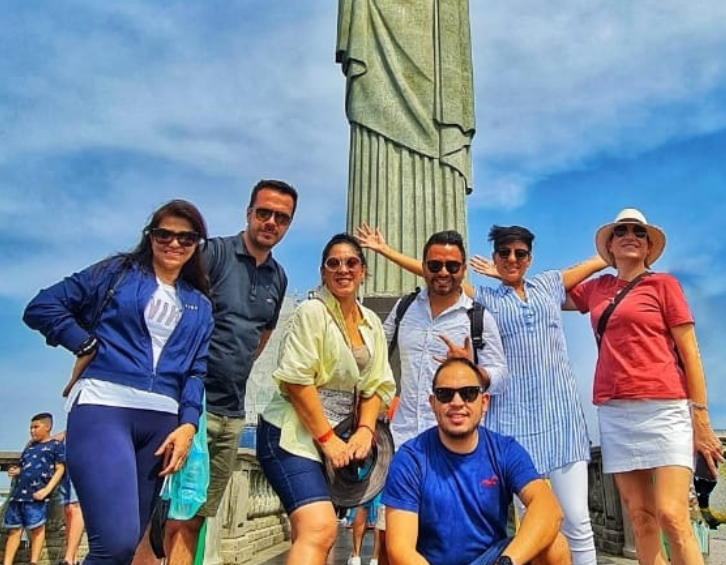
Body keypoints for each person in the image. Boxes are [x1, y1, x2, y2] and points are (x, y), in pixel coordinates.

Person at [151, 0, 648, 297]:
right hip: (377, 65)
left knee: (437, 165)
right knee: (374, 153)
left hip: (437, 75)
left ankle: (434, 284)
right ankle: (367, 285)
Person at [358, 224, 604, 565]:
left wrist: (620, 248)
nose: (443, 272)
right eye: (504, 253)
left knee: (568, 525)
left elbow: (498, 371)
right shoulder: (419, 308)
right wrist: (384, 251)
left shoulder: (498, 304)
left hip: (517, 428)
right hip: (415, 439)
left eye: (519, 253)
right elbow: (374, 354)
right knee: (391, 546)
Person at [23, 200, 214, 565]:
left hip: (162, 424)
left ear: (197, 244)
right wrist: (85, 343)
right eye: (164, 235)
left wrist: (189, 424)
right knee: (116, 544)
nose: (174, 244)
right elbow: (42, 306)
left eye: (186, 238)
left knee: (124, 549)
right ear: (150, 237)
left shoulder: (200, 305)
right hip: (103, 406)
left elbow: (196, 371)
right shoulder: (118, 273)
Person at [567, 209, 722, 565]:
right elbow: (551, 292)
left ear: (650, 245)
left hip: (664, 407)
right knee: (640, 517)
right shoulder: (599, 289)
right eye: (620, 231)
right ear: (609, 243)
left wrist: (700, 419)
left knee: (672, 514)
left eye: (638, 232)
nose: (630, 236)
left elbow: (690, 353)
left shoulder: (664, 285)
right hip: (616, 410)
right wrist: (599, 261)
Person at [153, 179, 296, 565]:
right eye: (263, 212)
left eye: (281, 217)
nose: (271, 222)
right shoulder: (214, 254)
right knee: (169, 511)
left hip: (232, 412)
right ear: (248, 213)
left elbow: (261, 336)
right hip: (189, 406)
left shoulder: (278, 278)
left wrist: (238, 366)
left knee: (199, 514)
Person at [256, 234, 396, 565]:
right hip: (292, 432)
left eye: (351, 263)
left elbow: (377, 383)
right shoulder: (310, 312)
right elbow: (295, 381)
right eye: (333, 263)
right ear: (322, 272)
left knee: (318, 535)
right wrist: (328, 440)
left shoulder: (371, 322)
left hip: (342, 434)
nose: (342, 269)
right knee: (319, 527)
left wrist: (365, 430)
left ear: (364, 270)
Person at [383, 357, 570, 565]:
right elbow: (399, 549)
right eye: (445, 394)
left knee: (555, 545)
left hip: (493, 561)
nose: (457, 402)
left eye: (469, 393)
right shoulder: (410, 460)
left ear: (484, 402)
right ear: (433, 403)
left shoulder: (504, 450)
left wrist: (507, 562)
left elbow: (548, 509)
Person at [377, 230, 508, 450]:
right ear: (424, 267)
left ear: (464, 270)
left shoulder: (477, 318)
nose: (443, 272)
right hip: (402, 439)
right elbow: (375, 349)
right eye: (435, 265)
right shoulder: (404, 308)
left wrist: (473, 369)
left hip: (455, 443)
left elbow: (501, 376)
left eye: (452, 266)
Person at [2, 413, 66, 565]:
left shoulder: (55, 446)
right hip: (18, 494)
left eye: (36, 427)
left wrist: (46, 490)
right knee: (14, 529)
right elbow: (25, 466)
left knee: (37, 529)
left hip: (37, 494)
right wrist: (17, 471)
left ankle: (34, 561)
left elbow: (60, 469)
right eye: (31, 428)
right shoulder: (30, 447)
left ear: (47, 427)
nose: (32, 431)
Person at [52, 431, 84, 565]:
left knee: (75, 507)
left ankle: (69, 558)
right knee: (69, 509)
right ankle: (72, 557)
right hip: (69, 459)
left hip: (82, 458)